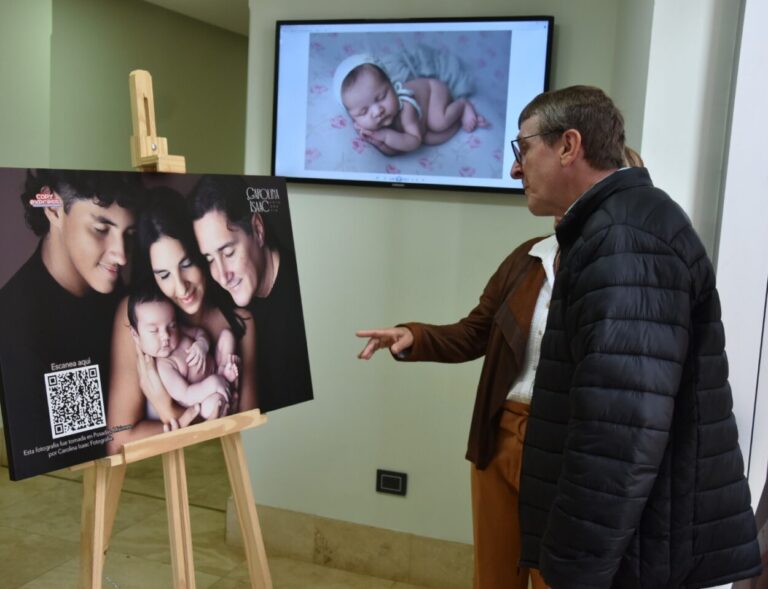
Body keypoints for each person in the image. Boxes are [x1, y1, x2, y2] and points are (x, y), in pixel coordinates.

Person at [510, 85, 761, 587]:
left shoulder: (623, 240)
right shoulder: (619, 225)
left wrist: (578, 567)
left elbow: (621, 428)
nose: (516, 168)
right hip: (636, 542)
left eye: (523, 147)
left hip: (635, 552)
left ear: (568, 145)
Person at [0, 169, 139, 480]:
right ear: (52, 208)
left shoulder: (125, 296)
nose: (121, 256)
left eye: (129, 235)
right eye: (101, 228)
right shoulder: (18, 320)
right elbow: (79, 449)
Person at [107, 187, 257, 452]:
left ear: (200, 254)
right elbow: (118, 442)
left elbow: (248, 435)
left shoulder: (239, 322)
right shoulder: (137, 317)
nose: (180, 288)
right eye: (163, 275)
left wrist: (170, 409)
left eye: (186, 264)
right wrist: (197, 420)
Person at [188, 175, 312, 413]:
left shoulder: (306, 290)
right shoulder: (218, 299)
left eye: (228, 252)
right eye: (210, 258)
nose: (222, 276)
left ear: (257, 229)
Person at [127, 279, 240, 420]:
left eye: (171, 325)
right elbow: (186, 395)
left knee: (227, 335)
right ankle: (224, 381)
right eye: (154, 330)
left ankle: (224, 369)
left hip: (216, 368)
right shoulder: (163, 367)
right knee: (214, 404)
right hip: (203, 397)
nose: (166, 335)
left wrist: (202, 344)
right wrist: (212, 384)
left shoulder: (179, 332)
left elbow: (199, 332)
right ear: (135, 335)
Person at [334, 55, 488, 155]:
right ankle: (459, 121)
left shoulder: (405, 108)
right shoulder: (374, 124)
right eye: (363, 112)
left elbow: (413, 141)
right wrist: (379, 143)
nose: (377, 111)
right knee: (431, 139)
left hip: (432, 91)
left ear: (391, 85)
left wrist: (385, 136)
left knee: (438, 123)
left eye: (381, 97)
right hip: (420, 123)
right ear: (353, 118)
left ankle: (462, 105)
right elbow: (396, 148)